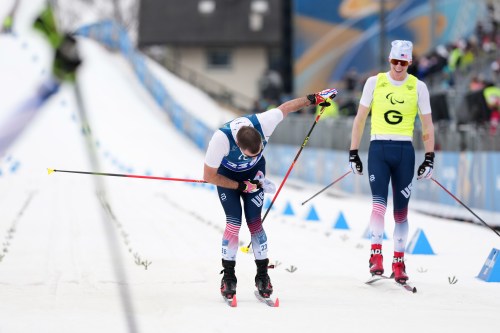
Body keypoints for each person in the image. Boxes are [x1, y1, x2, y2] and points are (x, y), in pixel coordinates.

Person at [204, 88, 337, 300]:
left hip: (254, 176)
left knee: (255, 222)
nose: (254, 155)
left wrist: (316, 98)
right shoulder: (220, 139)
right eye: (250, 154)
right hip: (228, 177)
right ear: (239, 145)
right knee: (234, 222)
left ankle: (262, 276)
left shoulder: (264, 121)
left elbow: (287, 107)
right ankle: (228, 277)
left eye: (258, 152)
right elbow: (209, 176)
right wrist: (239, 187)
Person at [348, 40, 435, 284]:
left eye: (403, 62)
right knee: (378, 205)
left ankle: (399, 261)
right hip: (378, 149)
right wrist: (353, 152)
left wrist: (430, 157)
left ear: (410, 62)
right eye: (395, 61)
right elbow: (360, 118)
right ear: (390, 60)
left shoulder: (418, 87)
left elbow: (427, 125)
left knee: (401, 212)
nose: (399, 66)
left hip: (404, 151)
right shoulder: (375, 82)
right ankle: (376, 254)